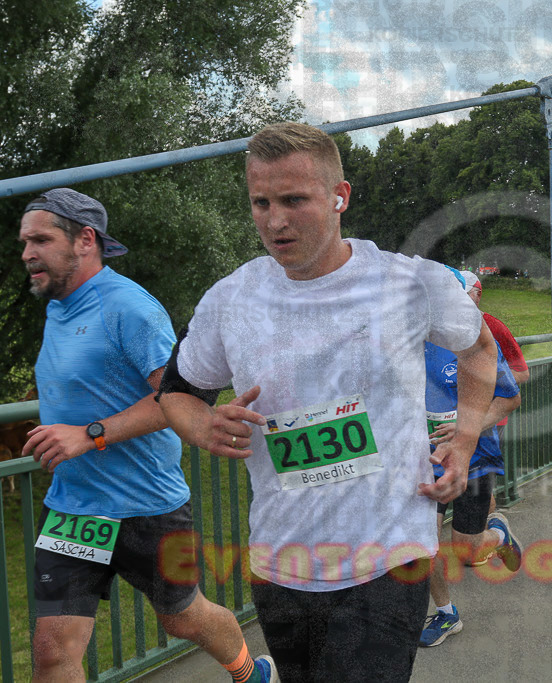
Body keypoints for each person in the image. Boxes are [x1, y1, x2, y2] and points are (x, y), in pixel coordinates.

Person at [157, 122, 498, 681]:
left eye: (294, 200)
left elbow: (481, 352)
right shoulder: (230, 299)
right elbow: (177, 392)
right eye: (260, 202)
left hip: (389, 555)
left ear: (340, 197)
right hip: (280, 559)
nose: (274, 220)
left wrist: (462, 444)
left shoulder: (411, 284)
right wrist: (203, 426)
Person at [18, 188, 277, 683]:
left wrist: (88, 434)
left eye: (41, 239)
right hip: (75, 508)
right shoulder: (58, 307)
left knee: (183, 617)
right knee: (52, 652)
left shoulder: (129, 308)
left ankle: (249, 671)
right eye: (24, 241)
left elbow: (177, 399)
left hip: (146, 508)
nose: (27, 253)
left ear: (85, 240)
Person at [420, 269, 522, 647]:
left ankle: (498, 533)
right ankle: (447, 613)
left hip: (476, 456)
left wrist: (469, 428)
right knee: (424, 540)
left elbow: (510, 398)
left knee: (466, 548)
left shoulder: (478, 343)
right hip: (428, 459)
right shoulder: (413, 341)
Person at [461, 270, 528, 528]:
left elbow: (521, 373)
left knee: (480, 486)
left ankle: (488, 536)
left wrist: (480, 384)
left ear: (478, 295)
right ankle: (474, 536)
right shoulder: (444, 328)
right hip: (452, 419)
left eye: (463, 293)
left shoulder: (494, 327)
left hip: (489, 420)